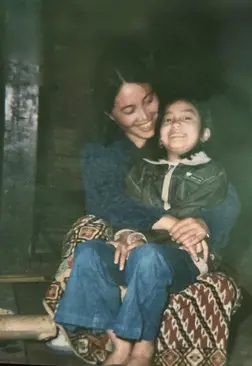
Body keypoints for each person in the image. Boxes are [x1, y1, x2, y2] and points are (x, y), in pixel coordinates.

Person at [52, 58, 241, 366]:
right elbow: (108, 202)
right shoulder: (105, 151)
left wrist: (203, 223)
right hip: (132, 236)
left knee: (150, 258)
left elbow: (226, 198)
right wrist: (130, 232)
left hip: (172, 251)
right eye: (129, 111)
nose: (146, 117)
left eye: (149, 100)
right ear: (110, 115)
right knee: (89, 241)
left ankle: (138, 343)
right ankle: (95, 330)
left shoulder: (177, 131)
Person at [125, 98, 229, 257]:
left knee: (148, 256)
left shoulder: (212, 173)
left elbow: (191, 221)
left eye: (187, 118)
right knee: (89, 252)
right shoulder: (140, 171)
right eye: (168, 119)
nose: (176, 123)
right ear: (160, 137)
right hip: (141, 246)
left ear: (204, 134)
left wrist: (145, 239)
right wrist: (129, 236)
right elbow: (126, 208)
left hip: (186, 251)